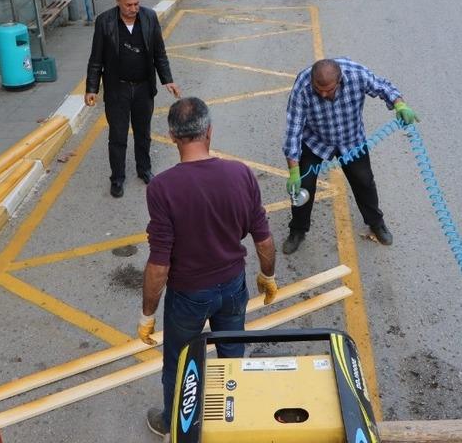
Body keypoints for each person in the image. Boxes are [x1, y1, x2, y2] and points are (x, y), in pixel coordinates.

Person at [137, 97, 277, 440]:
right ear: (209, 131)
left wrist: (147, 315)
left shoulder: (162, 188)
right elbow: (263, 239)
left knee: (181, 363)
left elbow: (159, 264)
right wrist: (267, 276)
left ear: (172, 136)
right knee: (232, 354)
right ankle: (235, 420)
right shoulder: (241, 173)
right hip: (232, 286)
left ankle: (174, 422)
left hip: (188, 296)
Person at [282, 58, 419, 254]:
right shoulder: (303, 87)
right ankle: (297, 230)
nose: (322, 93)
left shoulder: (357, 74)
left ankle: (376, 223)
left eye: (328, 89)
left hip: (351, 139)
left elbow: (383, 87)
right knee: (303, 187)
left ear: (340, 81)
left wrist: (400, 105)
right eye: (318, 88)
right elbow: (293, 130)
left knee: (364, 181)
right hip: (315, 141)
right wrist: (294, 171)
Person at [85, 0, 181, 198]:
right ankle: (117, 178)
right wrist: (91, 88)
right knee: (118, 136)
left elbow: (159, 53)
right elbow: (96, 59)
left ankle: (144, 170)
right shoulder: (105, 22)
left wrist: (168, 80)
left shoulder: (149, 18)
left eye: (137, 3)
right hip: (117, 89)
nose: (133, 8)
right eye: (128, 4)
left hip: (143, 88)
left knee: (143, 133)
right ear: (118, 3)